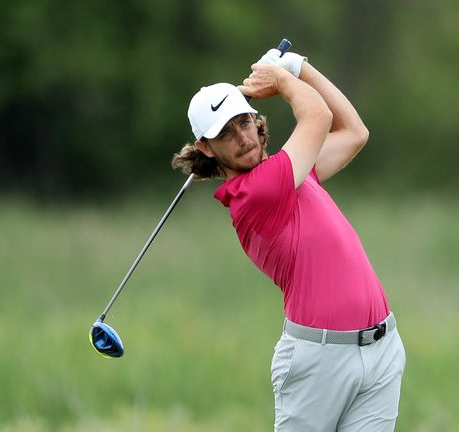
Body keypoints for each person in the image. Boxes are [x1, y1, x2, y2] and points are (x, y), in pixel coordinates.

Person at [172, 49, 406, 431]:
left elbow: (353, 132)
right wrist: (282, 79)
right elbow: (319, 117)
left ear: (255, 120)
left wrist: (300, 67)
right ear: (206, 148)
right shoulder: (252, 194)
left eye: (243, 122)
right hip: (319, 361)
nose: (242, 138)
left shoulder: (292, 172)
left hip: (380, 349)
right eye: (225, 134)